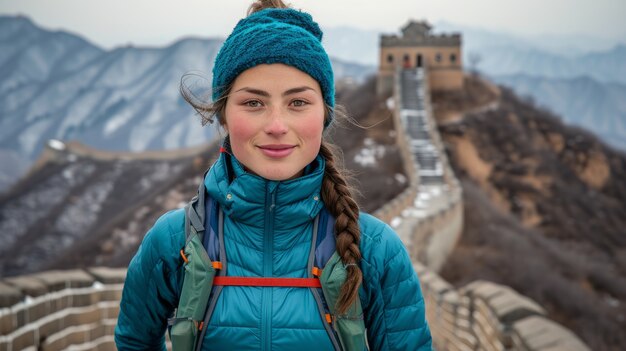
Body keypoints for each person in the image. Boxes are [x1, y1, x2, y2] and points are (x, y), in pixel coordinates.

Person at [114, 0, 432, 350]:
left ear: (323, 115)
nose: (277, 126)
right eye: (253, 103)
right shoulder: (175, 242)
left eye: (298, 103)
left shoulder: (375, 251)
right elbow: (134, 342)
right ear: (223, 115)